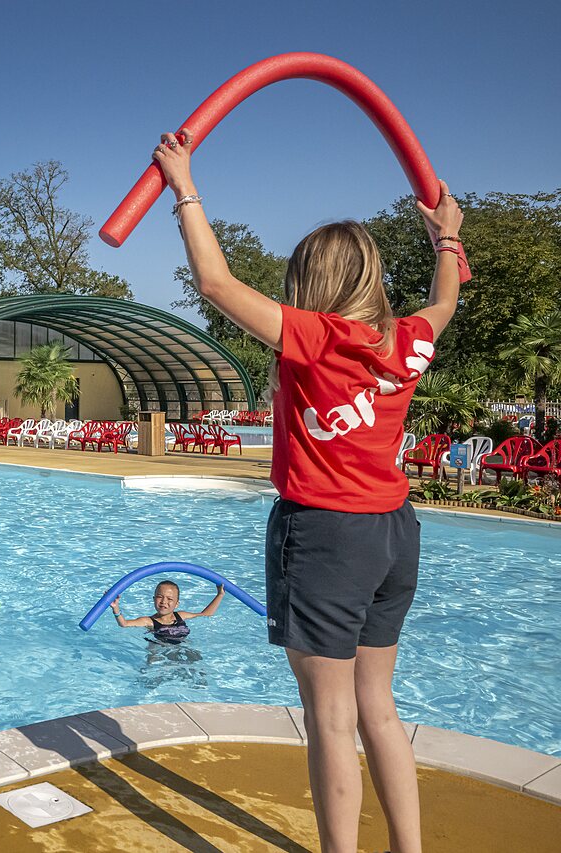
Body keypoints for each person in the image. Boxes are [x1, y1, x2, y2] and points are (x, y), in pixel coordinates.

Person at [154, 128, 462, 853]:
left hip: (328, 536)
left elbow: (215, 284)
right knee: (376, 707)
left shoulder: (316, 338)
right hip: (394, 531)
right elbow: (444, 301)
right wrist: (446, 239)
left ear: (312, 285)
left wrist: (183, 184)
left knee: (329, 715)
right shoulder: (407, 339)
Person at [108, 579, 224, 643]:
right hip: (158, 648)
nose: (164, 601)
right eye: (159, 597)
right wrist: (116, 608)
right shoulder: (149, 621)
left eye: (169, 599)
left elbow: (205, 615)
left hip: (182, 646)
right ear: (154, 599)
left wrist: (220, 594)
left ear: (176, 603)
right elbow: (124, 624)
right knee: (153, 663)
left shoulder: (181, 615)